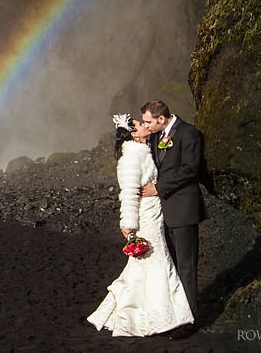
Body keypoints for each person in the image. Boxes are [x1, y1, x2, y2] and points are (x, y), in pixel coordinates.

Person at [87, 113, 194, 337]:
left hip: (155, 211)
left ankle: (154, 312)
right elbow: (128, 194)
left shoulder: (145, 150)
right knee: (155, 260)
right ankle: (161, 315)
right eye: (139, 124)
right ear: (134, 134)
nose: (145, 125)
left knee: (149, 263)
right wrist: (128, 225)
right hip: (146, 215)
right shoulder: (131, 158)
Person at [138, 99, 207, 337]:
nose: (147, 126)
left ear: (161, 119)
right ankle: (176, 314)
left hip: (184, 209)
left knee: (186, 267)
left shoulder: (189, 134)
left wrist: (159, 188)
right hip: (164, 212)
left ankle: (190, 320)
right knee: (172, 266)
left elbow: (190, 169)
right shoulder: (157, 135)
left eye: (149, 121)